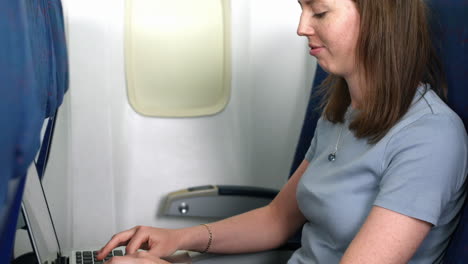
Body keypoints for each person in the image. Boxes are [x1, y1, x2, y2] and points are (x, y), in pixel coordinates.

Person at [97, 0, 468, 263]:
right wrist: (180, 238)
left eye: (319, 11)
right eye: (301, 10)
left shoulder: (429, 138)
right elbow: (277, 220)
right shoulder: (340, 115)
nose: (302, 27)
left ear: (377, 18)